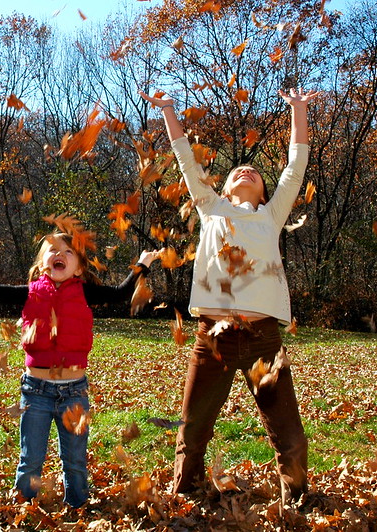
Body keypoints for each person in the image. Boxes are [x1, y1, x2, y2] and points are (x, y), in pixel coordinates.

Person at [138, 88, 319, 504]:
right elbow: (185, 159)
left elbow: (296, 164)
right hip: (212, 340)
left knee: (288, 432)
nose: (246, 172)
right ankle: (187, 494)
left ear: (264, 190)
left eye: (254, 172)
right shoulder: (210, 207)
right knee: (193, 426)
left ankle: (297, 499)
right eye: (238, 170)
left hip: (263, 340)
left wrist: (299, 110)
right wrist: (168, 112)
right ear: (224, 185)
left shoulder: (271, 216)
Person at [0, 227, 160, 508]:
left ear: (78, 268)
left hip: (74, 393)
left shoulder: (85, 292)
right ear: (41, 263)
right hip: (35, 391)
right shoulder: (30, 293)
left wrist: (142, 264)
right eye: (53, 250)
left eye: (68, 252)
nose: (59, 254)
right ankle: (25, 508)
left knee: (74, 460)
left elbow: (121, 293)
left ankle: (78, 506)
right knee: (31, 458)